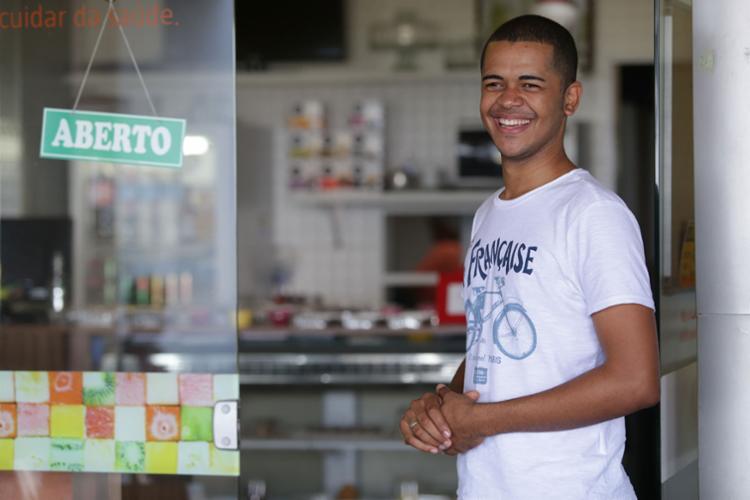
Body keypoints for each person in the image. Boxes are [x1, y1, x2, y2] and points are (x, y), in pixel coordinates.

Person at [399, 15, 659, 499]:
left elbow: (635, 380)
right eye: (494, 83)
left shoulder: (593, 214)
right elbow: (489, 347)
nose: (508, 100)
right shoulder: (488, 215)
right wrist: (442, 407)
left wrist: (480, 420)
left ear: (570, 99)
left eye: (530, 84)